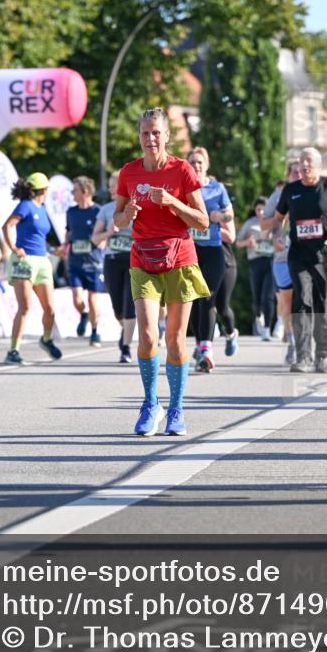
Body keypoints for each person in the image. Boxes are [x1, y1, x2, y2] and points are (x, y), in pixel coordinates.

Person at [114, 108, 209, 436]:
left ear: (167, 136)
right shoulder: (128, 172)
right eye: (145, 133)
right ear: (139, 136)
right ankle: (150, 403)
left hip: (180, 259)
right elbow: (117, 221)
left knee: (176, 339)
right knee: (149, 335)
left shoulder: (182, 170)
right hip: (143, 258)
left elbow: (203, 220)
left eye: (156, 133)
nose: (150, 139)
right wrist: (126, 213)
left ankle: (176, 409)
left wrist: (173, 202)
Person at [273, 147, 327, 373]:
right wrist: (277, 235)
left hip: (324, 257)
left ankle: (322, 356)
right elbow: (278, 219)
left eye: (309, 162)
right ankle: (303, 357)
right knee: (301, 301)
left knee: (324, 305)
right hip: (298, 256)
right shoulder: (291, 190)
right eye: (301, 162)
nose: (304, 166)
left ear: (319, 167)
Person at [2, 172, 62, 363]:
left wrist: (53, 250)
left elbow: (40, 238)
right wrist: (14, 248)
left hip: (42, 261)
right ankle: (13, 351)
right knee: (25, 307)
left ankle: (46, 339)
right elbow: (7, 226)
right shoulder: (25, 206)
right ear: (43, 189)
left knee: (50, 308)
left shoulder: (42, 208)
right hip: (24, 261)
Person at [186, 148, 234, 372]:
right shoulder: (182, 188)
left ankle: (206, 351)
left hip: (213, 250)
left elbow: (229, 214)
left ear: (207, 164)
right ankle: (200, 345)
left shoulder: (217, 188)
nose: (196, 165)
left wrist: (218, 217)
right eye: (192, 162)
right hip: (189, 250)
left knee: (208, 298)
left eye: (199, 162)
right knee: (194, 302)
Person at [92, 171, 136, 363]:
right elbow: (95, 239)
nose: (111, 188)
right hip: (112, 260)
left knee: (129, 305)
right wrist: (108, 233)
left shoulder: (135, 207)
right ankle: (125, 331)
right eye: (110, 185)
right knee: (117, 306)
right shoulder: (106, 209)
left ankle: (126, 348)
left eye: (114, 185)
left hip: (133, 260)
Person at [261, 160, 301, 367]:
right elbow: (264, 224)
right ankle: (292, 342)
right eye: (294, 173)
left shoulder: (312, 194)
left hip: (306, 256)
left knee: (305, 301)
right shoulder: (278, 196)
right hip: (283, 256)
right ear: (288, 175)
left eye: (300, 171)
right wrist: (279, 221)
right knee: (287, 303)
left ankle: (305, 341)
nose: (298, 175)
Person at [64, 176, 104, 347]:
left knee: (92, 299)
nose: (72, 193)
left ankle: (95, 332)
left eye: (75, 190)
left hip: (93, 262)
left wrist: (102, 242)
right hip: (75, 262)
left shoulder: (97, 211)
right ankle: (84, 315)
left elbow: (103, 235)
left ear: (85, 191)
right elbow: (68, 233)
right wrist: (65, 246)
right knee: (77, 299)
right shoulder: (71, 212)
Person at [236, 198, 275, 340]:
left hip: (271, 261)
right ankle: (258, 316)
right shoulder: (250, 223)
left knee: (268, 297)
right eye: (258, 209)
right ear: (255, 210)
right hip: (255, 262)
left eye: (263, 209)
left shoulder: (273, 221)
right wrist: (247, 242)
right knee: (257, 297)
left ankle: (267, 329)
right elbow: (238, 242)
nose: (261, 212)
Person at [214, 218, 239, 357]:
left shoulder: (222, 210)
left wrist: (209, 226)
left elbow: (231, 237)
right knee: (203, 305)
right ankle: (204, 344)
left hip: (226, 263)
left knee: (222, 306)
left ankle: (230, 334)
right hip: (202, 263)